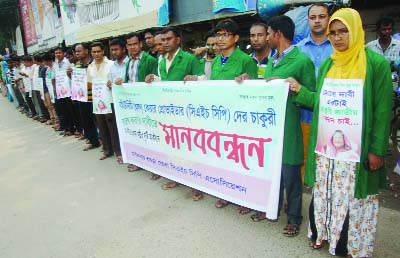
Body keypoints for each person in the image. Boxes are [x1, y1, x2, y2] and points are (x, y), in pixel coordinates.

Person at [291, 8, 392, 257]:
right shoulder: (329, 63)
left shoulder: (376, 64)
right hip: (327, 148)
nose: (337, 38)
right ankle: (322, 234)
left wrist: (377, 150)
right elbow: (322, 101)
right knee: (325, 193)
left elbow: (382, 111)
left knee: (351, 199)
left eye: (343, 31)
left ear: (356, 30)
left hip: (355, 151)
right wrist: (299, 91)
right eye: (333, 33)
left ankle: (348, 245)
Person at [251, 15, 316, 238]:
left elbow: (313, 98)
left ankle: (295, 219)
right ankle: (273, 210)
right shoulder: (272, 60)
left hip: (290, 129)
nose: (266, 37)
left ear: (278, 34)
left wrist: (296, 90)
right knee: (272, 175)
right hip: (271, 129)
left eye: (268, 33)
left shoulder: (302, 61)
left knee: (291, 178)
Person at [200, 19, 258, 212]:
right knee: (223, 157)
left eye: (226, 35)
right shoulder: (215, 61)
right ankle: (226, 193)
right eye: (219, 35)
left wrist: (247, 81)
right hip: (219, 118)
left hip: (239, 120)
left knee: (242, 160)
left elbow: (256, 92)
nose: (221, 39)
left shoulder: (245, 60)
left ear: (236, 38)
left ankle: (246, 198)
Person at [145, 26, 205, 200]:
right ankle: (176, 177)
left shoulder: (189, 58)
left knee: (190, 149)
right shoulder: (161, 60)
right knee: (172, 147)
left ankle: (196, 185)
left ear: (178, 40)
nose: (165, 43)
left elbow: (204, 79)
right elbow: (164, 82)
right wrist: (153, 79)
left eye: (169, 39)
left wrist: (195, 79)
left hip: (186, 113)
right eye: (163, 40)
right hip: (168, 112)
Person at [296, 3, 333, 183]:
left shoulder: (339, 48)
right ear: (307, 20)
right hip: (304, 117)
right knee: (303, 160)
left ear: (329, 18)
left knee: (328, 161)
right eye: (313, 17)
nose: (317, 21)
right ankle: (304, 200)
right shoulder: (298, 50)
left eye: (322, 16)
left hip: (333, 117)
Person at [120, 32, 158, 173]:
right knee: (138, 134)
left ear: (140, 44)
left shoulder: (150, 60)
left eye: (135, 44)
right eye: (129, 45)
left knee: (151, 135)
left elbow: (156, 82)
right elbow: (129, 81)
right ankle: (139, 161)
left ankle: (155, 167)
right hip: (133, 105)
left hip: (147, 105)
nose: (132, 47)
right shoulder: (129, 61)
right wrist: (120, 84)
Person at [87, 42, 122, 163]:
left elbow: (117, 80)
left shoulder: (111, 64)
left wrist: (111, 84)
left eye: (98, 51)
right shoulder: (90, 67)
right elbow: (89, 83)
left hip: (110, 99)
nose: (96, 54)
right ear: (91, 53)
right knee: (101, 126)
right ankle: (107, 150)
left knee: (112, 126)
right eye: (94, 52)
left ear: (103, 52)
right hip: (97, 100)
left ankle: (118, 151)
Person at [73, 43, 101, 151]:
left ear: (86, 51)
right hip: (83, 98)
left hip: (95, 96)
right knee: (86, 120)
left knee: (98, 120)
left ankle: (103, 140)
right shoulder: (77, 65)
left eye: (79, 51)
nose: (77, 53)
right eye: (76, 51)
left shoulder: (94, 63)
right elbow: (76, 82)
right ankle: (93, 141)